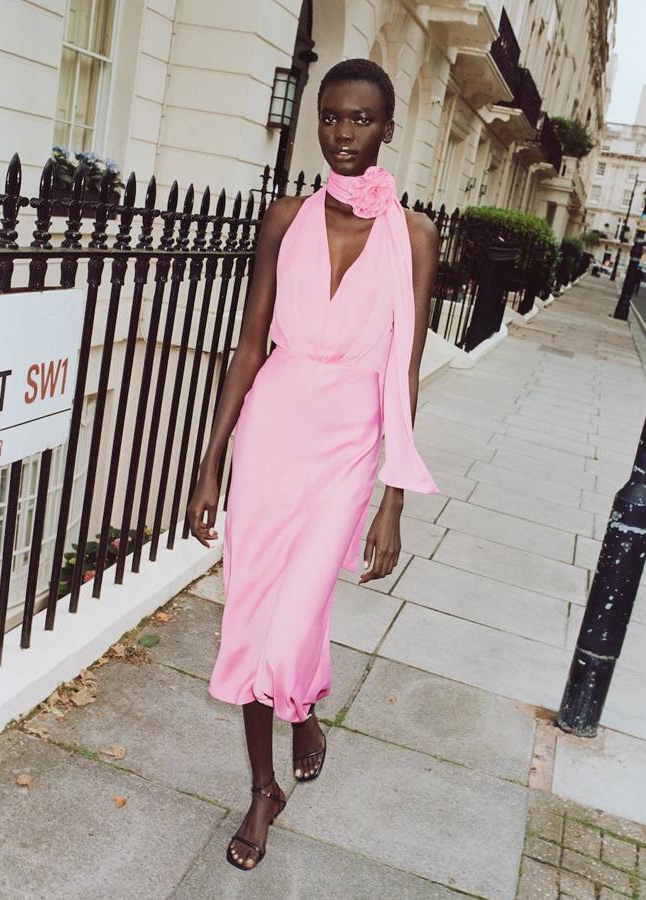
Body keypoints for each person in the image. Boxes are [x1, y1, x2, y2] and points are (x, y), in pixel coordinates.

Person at [187, 58, 440, 871]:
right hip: (270, 438)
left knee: (293, 619)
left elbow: (405, 370)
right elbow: (249, 346)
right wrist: (209, 463)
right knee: (256, 616)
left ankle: (293, 726)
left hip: (347, 448)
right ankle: (267, 779)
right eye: (330, 118)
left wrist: (393, 500)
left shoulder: (417, 237)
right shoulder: (283, 218)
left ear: (388, 129)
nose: (343, 134)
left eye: (361, 119)